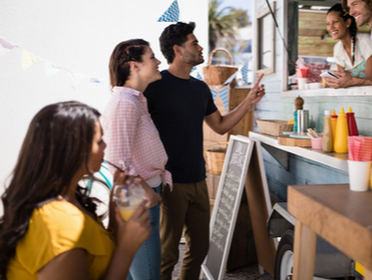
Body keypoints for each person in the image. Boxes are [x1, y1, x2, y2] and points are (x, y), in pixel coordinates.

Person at [144, 22, 265, 280]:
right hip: (169, 182)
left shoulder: (200, 88)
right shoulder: (155, 86)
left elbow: (220, 126)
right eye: (194, 43)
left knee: (199, 249)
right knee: (167, 255)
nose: (200, 48)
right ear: (177, 50)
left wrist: (248, 101)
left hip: (199, 179)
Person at [0, 101, 151, 280]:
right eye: (99, 141)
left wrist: (116, 214)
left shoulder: (70, 202)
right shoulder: (58, 221)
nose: (105, 147)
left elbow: (98, 263)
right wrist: (127, 249)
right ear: (74, 149)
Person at [102, 39, 173, 280]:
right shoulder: (125, 103)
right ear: (135, 66)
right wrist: (148, 193)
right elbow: (116, 161)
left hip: (138, 196)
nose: (158, 62)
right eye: (152, 57)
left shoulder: (134, 100)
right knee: (148, 275)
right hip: (137, 197)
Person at [325, 3, 372, 79]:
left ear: (348, 22)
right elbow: (342, 80)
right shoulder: (337, 49)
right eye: (328, 24)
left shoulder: (364, 41)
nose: (331, 27)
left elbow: (371, 79)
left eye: (335, 22)